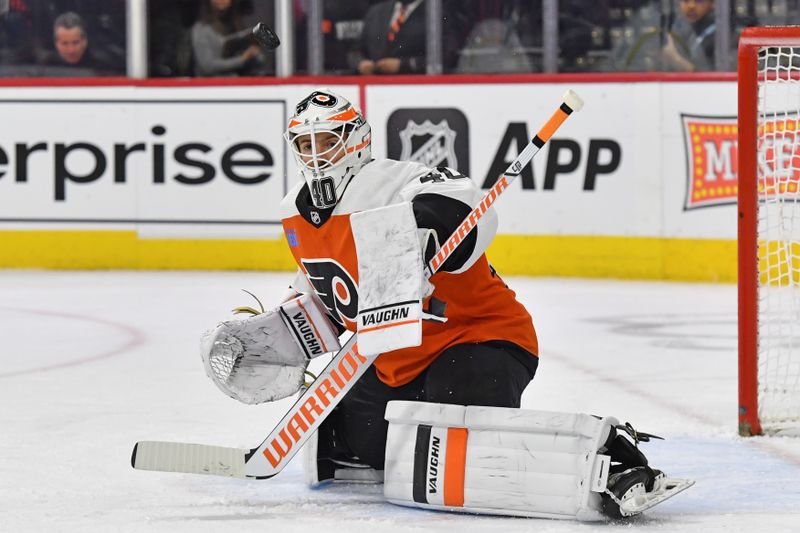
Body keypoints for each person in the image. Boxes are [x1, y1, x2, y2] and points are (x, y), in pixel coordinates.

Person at [200, 89, 686, 519]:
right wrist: (277, 338)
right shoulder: (293, 212)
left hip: (481, 336)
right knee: (351, 447)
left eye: (326, 140)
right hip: (394, 359)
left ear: (355, 139)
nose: (316, 154)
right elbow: (330, 298)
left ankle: (610, 456)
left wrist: (419, 235)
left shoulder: (396, 180)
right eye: (305, 144)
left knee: (454, 442)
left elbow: (464, 206)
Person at [357, 0, 461, 74]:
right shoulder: (376, 11)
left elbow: (447, 57)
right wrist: (360, 63)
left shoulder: (437, 12)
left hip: (415, 91)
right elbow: (356, 50)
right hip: (374, 90)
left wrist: (403, 65)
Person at [191, 0, 265, 77]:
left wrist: (253, 53)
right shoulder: (201, 28)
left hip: (237, 82)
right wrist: (242, 59)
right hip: (209, 85)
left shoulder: (237, 24)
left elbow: (259, 60)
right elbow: (208, 66)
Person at [40, 11, 121, 74]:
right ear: (56, 44)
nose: (71, 50)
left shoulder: (104, 67)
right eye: (64, 43)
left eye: (75, 43)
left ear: (84, 41)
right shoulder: (45, 68)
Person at [662, 0, 716, 72]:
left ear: (712, 3)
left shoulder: (723, 36)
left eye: (699, 1)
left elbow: (715, 81)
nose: (691, 6)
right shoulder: (676, 28)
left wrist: (677, 60)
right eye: (685, 0)